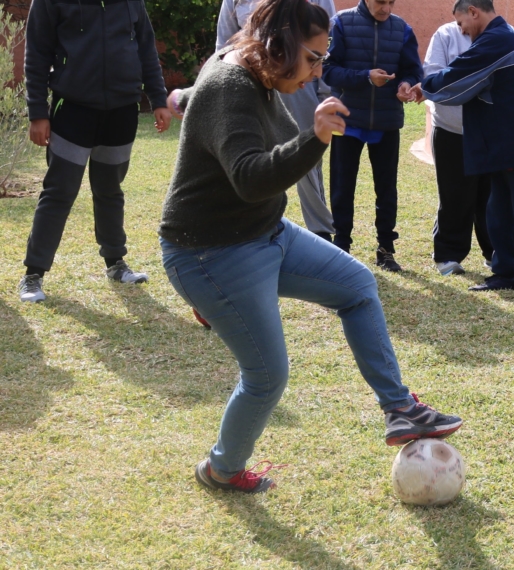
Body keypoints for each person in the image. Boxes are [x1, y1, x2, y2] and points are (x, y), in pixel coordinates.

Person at [160, 0, 462, 493]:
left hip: (265, 234)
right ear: (278, 46)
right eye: (315, 58)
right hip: (209, 253)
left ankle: (400, 409)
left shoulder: (251, 71)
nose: (319, 71)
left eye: (324, 58)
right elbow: (251, 178)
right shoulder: (231, 83)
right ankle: (222, 468)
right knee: (266, 376)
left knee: (358, 285)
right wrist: (316, 137)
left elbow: (205, 97)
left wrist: (181, 97)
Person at [414, 0, 514, 304]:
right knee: (497, 212)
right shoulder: (497, 39)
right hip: (501, 144)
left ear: (474, 11)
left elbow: (457, 75)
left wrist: (425, 86)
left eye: (462, 24)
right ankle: (504, 272)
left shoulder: (497, 40)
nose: (462, 31)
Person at [18, 0, 171, 303]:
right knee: (59, 192)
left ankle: (115, 263)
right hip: (72, 110)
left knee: (110, 190)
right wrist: (37, 112)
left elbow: (146, 49)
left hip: (122, 110)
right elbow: (35, 53)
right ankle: (33, 274)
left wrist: (158, 99)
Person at [215, 0, 338, 241]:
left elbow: (325, 43)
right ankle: (250, 230)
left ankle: (321, 232)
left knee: (307, 156)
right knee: (251, 154)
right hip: (251, 80)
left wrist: (324, 93)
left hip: (302, 81)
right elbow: (224, 45)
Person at [322, 0, 423, 271]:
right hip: (348, 119)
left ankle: (386, 250)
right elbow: (328, 71)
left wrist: (406, 84)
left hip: (386, 120)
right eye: (381, 2)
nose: (386, 8)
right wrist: (366, 76)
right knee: (343, 187)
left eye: (391, 2)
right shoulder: (341, 23)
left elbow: (413, 70)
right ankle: (341, 247)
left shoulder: (403, 29)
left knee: (386, 189)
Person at [424, 20, 496, 276]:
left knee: (491, 198)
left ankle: (496, 254)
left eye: (464, 19)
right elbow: (433, 76)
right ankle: (448, 255)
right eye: (459, 20)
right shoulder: (444, 34)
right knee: (455, 197)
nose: (462, 26)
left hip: (489, 133)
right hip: (451, 131)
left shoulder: (504, 35)